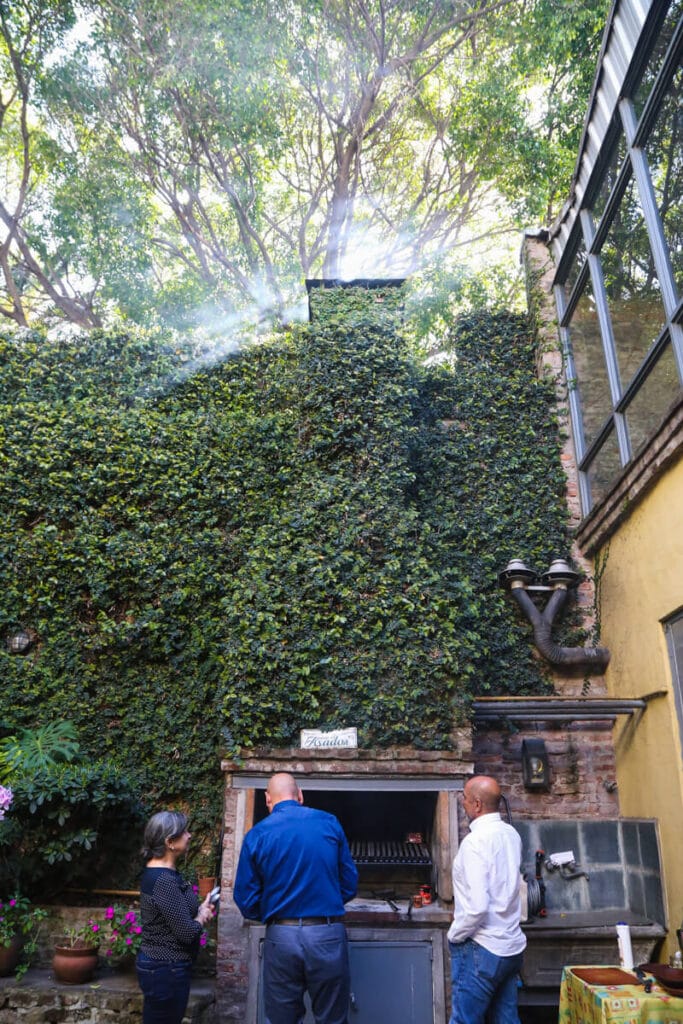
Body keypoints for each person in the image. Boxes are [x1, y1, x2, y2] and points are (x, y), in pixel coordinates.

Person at [233, 771, 358, 1024]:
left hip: (282, 937)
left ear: (268, 800)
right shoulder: (329, 823)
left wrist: (274, 913)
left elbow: (245, 899)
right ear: (300, 795)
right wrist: (325, 904)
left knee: (282, 1019)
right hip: (327, 934)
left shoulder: (257, 834)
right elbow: (349, 883)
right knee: (333, 1019)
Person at [448, 775, 526, 1024]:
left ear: (478, 804)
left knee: (465, 1021)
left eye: (465, 798)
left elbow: (477, 908)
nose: (463, 803)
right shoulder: (511, 834)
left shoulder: (474, 843)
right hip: (511, 947)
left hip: (481, 950)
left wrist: (455, 935)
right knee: (506, 1020)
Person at [136, 810, 215, 1024]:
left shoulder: (169, 874)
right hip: (165, 970)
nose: (190, 835)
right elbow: (187, 933)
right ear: (170, 842)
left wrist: (200, 910)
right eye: (185, 832)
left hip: (165, 969)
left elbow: (178, 912)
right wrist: (200, 919)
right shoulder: (163, 880)